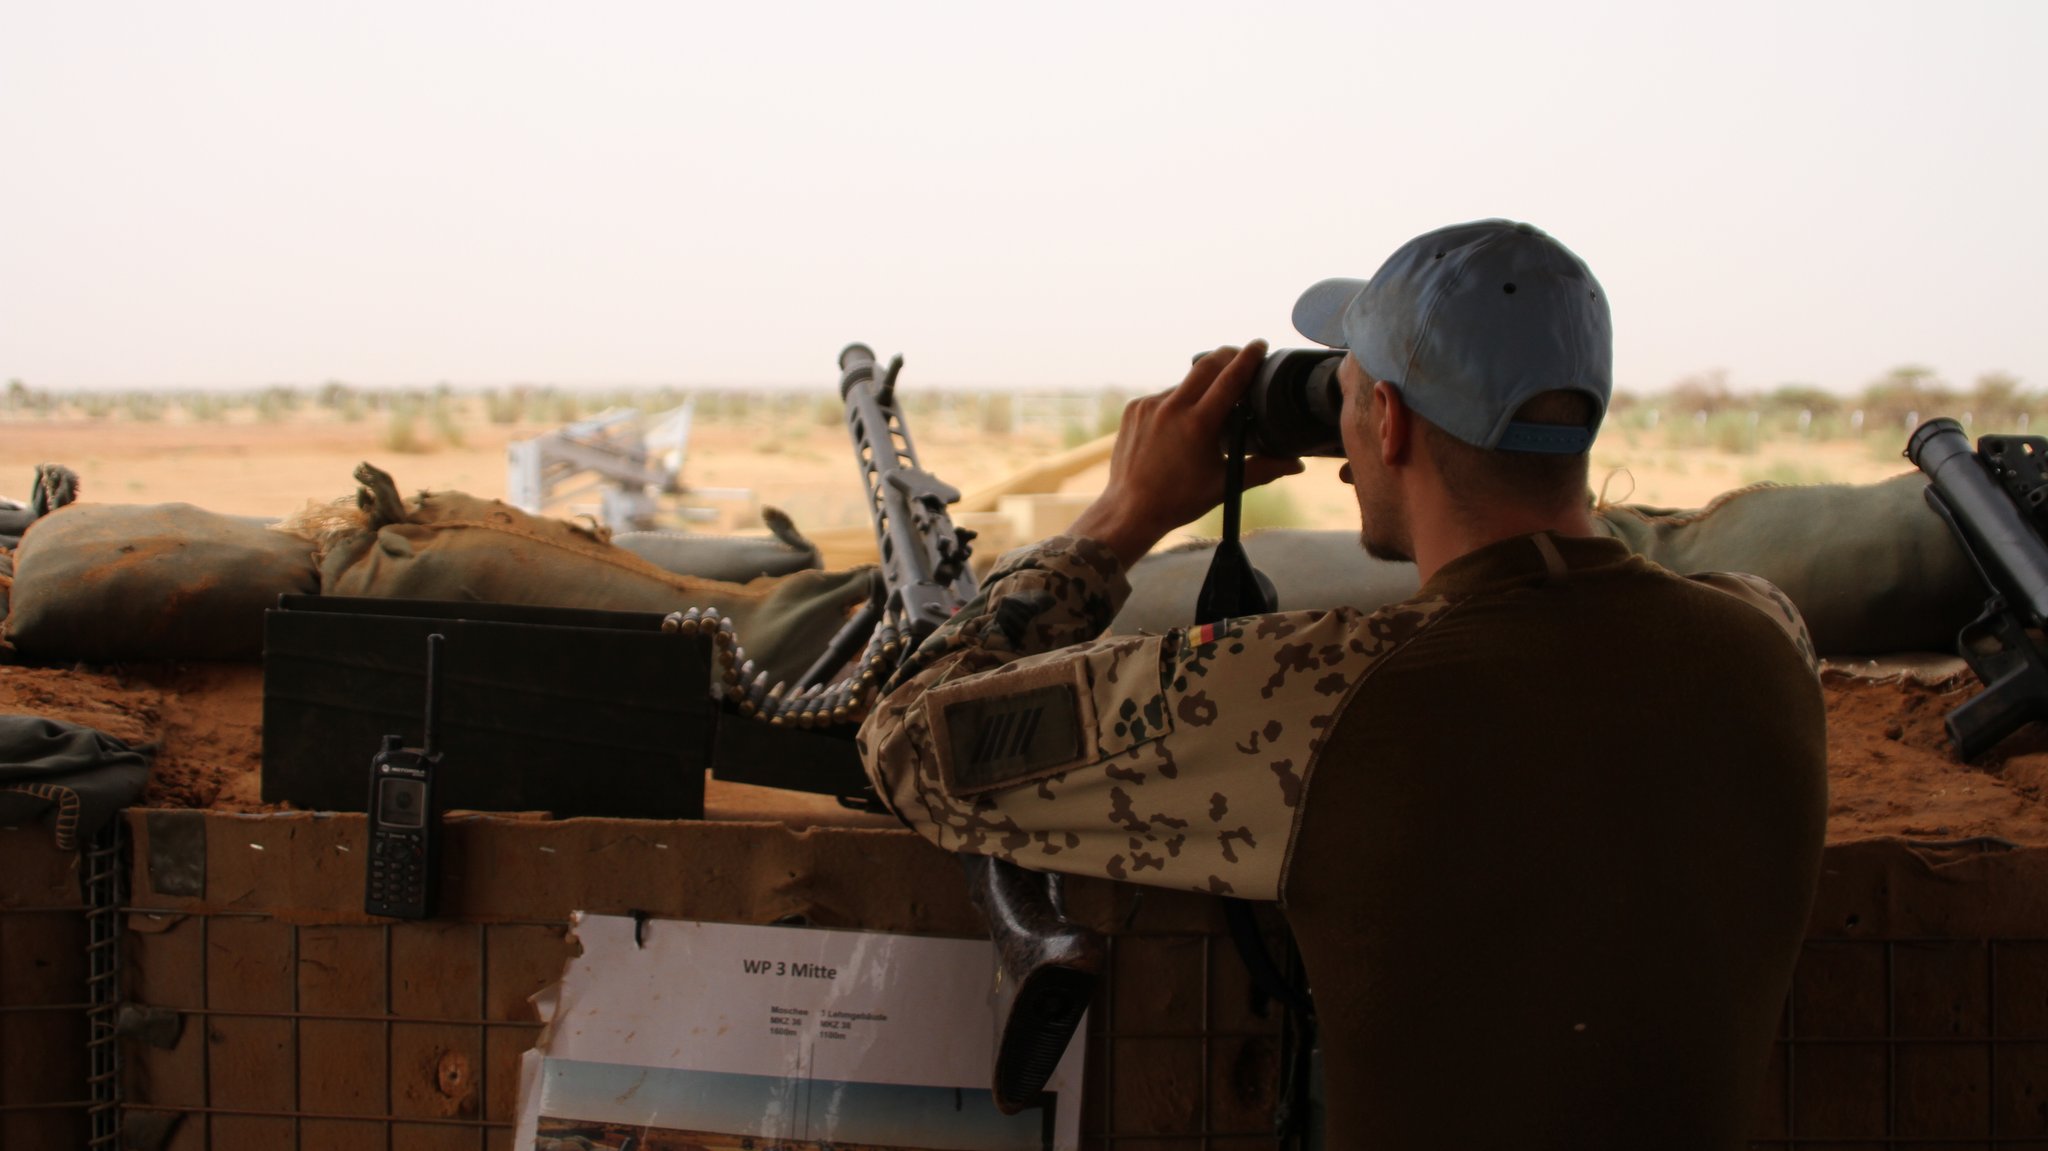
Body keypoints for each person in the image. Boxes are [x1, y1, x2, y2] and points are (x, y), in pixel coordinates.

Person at [858, 219, 1827, 1147]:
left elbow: (910, 739)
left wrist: (1121, 513)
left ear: (1388, 420)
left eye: (1347, 393)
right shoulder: (1763, 635)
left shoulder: (1322, 692)